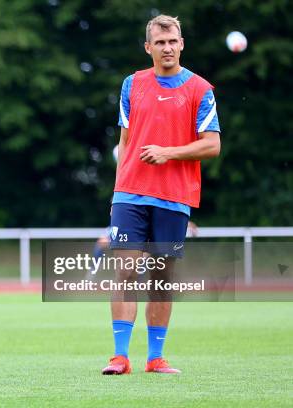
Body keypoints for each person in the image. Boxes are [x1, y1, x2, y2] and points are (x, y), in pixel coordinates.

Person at [102, 15, 220, 375]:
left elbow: (212, 145)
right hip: (130, 195)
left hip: (173, 197)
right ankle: (120, 357)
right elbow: (124, 141)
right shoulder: (132, 84)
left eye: (173, 41)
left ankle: (155, 358)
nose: (167, 48)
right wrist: (117, 190)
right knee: (125, 271)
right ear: (148, 47)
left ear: (181, 44)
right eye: (160, 42)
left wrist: (168, 152)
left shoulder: (200, 89)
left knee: (161, 277)